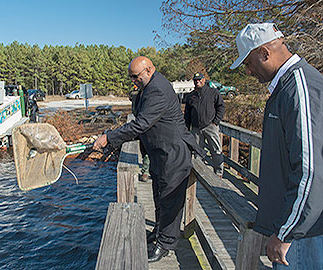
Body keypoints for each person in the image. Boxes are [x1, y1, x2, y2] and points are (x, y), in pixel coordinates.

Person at [93, 56, 204, 263]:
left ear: (149, 70)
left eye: (136, 76)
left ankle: (165, 244)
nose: (133, 81)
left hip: (174, 151)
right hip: (158, 152)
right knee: (160, 195)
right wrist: (113, 134)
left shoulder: (157, 89)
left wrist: (109, 138)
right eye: (131, 77)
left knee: (170, 199)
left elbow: (141, 124)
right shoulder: (146, 87)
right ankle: (159, 232)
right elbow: (139, 121)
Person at [231, 22, 323, 269]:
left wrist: (285, 232)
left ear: (264, 53)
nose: (248, 71)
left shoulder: (299, 89)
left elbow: (310, 169)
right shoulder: (286, 88)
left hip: (303, 234)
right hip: (296, 229)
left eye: (248, 63)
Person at [184, 72, 225, 177]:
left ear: (204, 80)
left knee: (216, 150)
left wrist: (216, 122)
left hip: (210, 126)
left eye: (199, 79)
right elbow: (187, 113)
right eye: (195, 80)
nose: (197, 82)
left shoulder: (213, 92)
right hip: (196, 128)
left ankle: (219, 172)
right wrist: (187, 128)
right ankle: (200, 173)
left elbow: (221, 107)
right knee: (197, 152)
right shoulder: (191, 96)